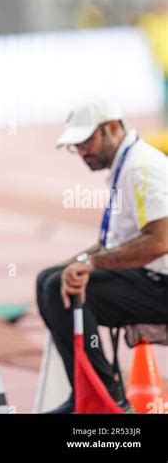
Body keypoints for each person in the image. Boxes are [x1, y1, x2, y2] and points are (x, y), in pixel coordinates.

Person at [36, 98, 168, 413]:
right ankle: (87, 393)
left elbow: (160, 241)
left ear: (112, 127)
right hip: (149, 278)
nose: (82, 152)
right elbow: (114, 242)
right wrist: (74, 264)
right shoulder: (126, 166)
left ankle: (105, 401)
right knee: (50, 279)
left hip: (161, 284)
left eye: (86, 142)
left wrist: (89, 263)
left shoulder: (143, 167)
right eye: (75, 146)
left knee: (59, 289)